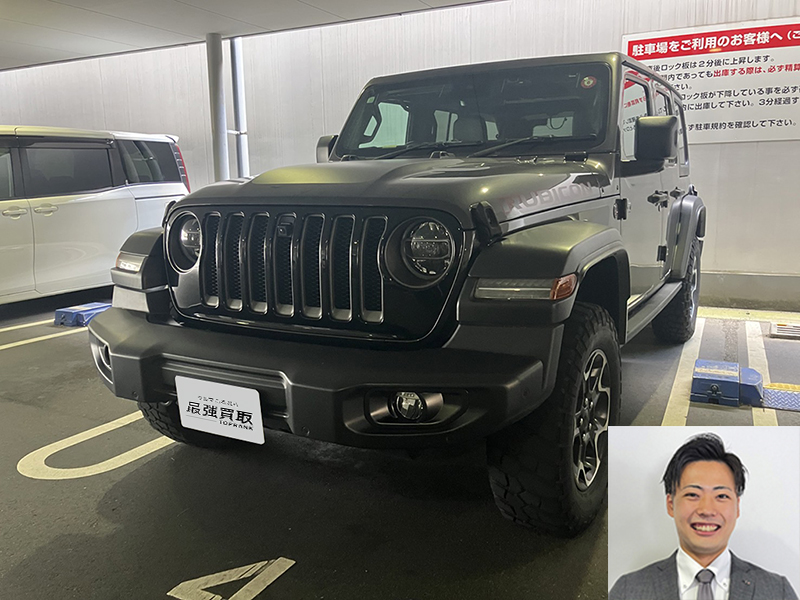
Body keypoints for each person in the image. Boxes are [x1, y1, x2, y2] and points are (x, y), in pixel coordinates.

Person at [609, 433, 798, 600]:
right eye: (693, 494)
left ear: (737, 507)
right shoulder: (627, 590)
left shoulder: (777, 591)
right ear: (670, 504)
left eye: (721, 496)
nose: (707, 510)